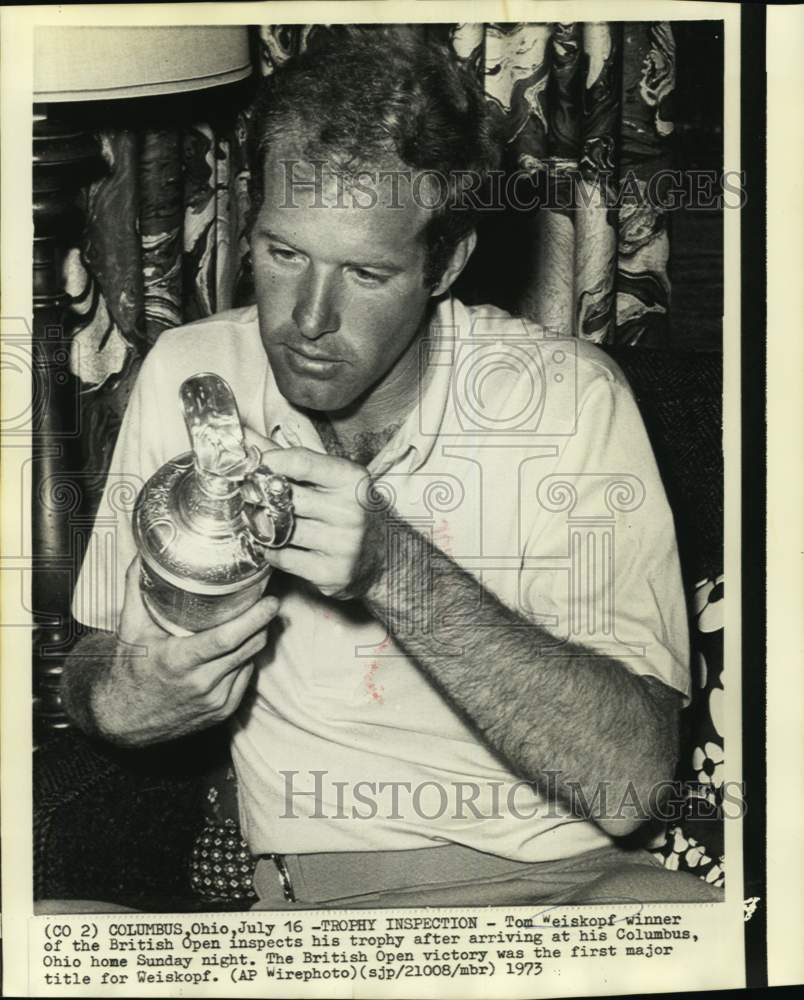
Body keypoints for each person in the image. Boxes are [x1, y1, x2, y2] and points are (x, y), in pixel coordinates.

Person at [63, 30, 721, 907]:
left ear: (446, 262)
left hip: (575, 889)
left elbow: (632, 782)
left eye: (366, 273)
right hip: (327, 909)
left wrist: (392, 566)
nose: (308, 318)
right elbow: (92, 668)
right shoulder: (192, 374)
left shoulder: (570, 397)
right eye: (283, 254)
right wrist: (129, 698)